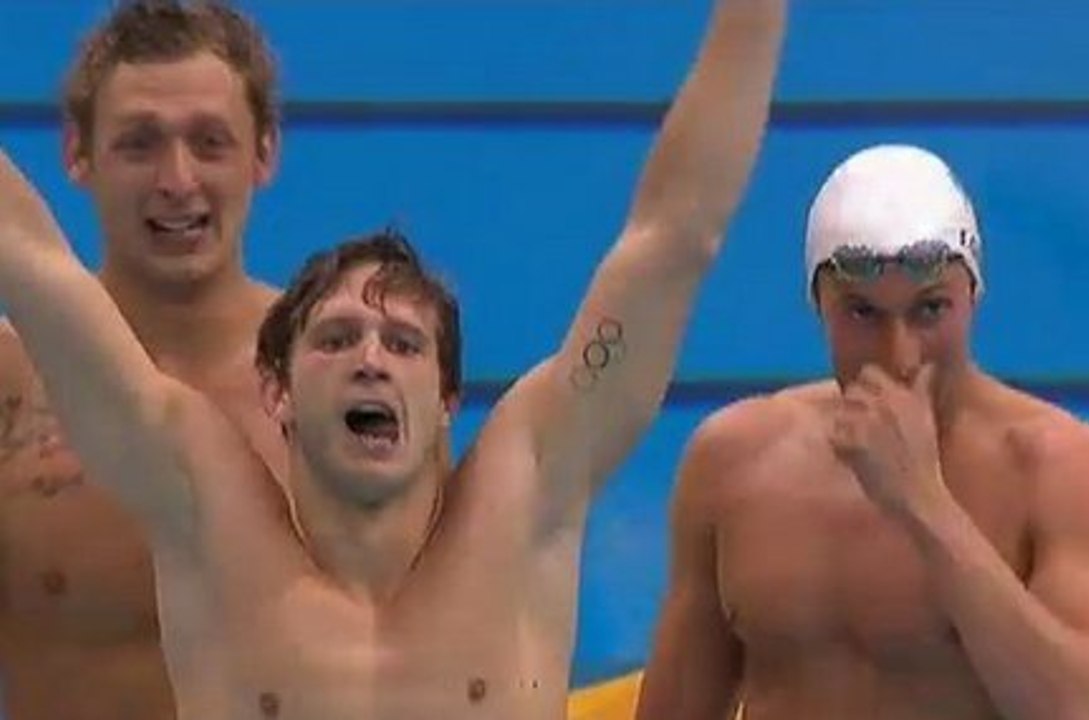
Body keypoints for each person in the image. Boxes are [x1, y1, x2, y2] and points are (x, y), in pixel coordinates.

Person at [0, 0, 788, 716]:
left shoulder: (528, 495)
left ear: (447, 400)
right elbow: (32, 261)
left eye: (403, 343)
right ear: (276, 391)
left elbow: (675, 235)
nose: (370, 358)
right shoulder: (206, 519)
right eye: (337, 338)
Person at [635, 144, 1089, 720]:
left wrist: (923, 504)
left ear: (973, 297)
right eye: (862, 314)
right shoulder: (734, 462)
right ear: (818, 304)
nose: (899, 354)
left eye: (930, 309)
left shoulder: (1074, 475)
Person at [0, 2, 284, 719]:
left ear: (264, 155)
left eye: (210, 143)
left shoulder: (342, 381)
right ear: (77, 155)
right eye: (139, 144)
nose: (176, 179)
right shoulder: (12, 382)